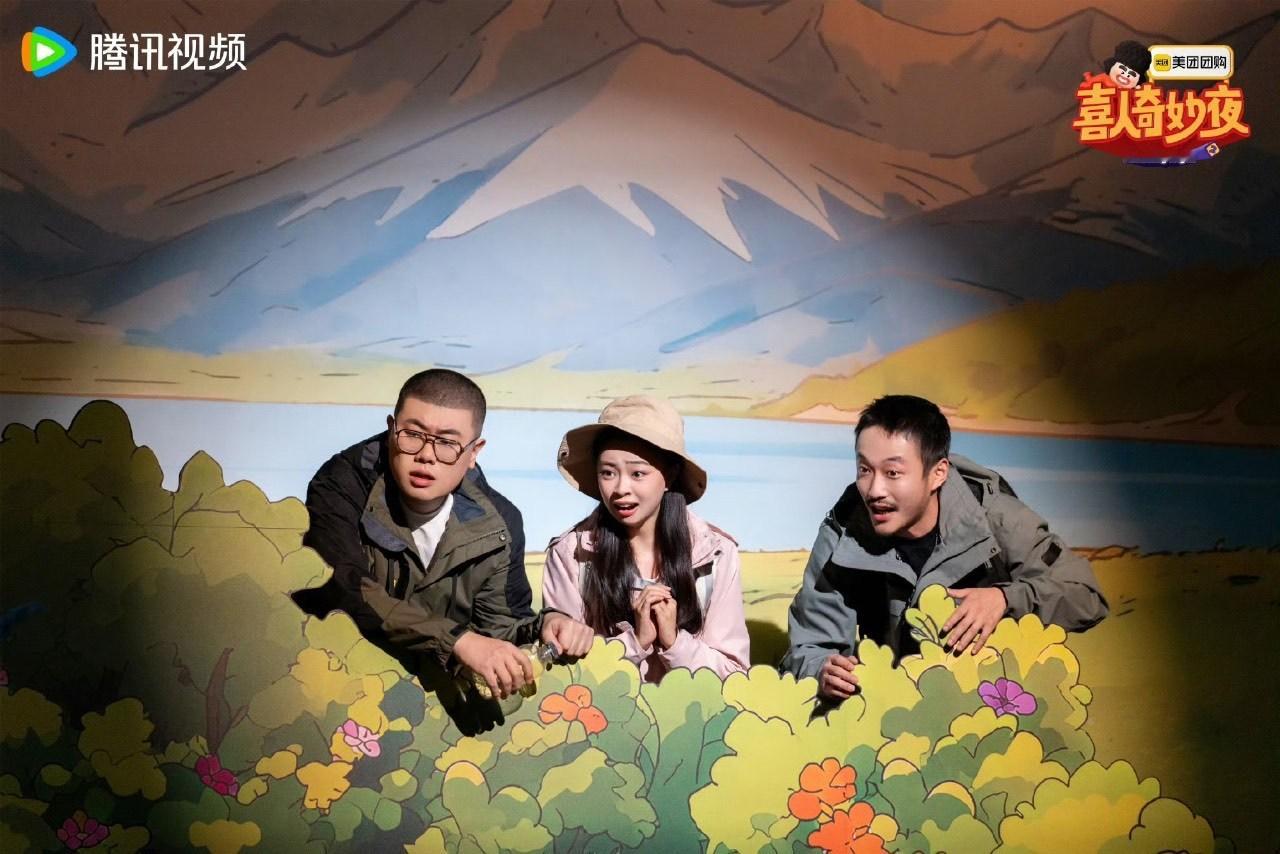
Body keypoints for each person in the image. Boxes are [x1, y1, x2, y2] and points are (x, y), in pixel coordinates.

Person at [781, 394, 1108, 704]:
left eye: (893, 473)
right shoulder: (843, 532)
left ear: (938, 474)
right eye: (865, 470)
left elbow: (1085, 597)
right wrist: (822, 672)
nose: (874, 490)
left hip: (996, 702)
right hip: (895, 708)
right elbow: (809, 648)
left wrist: (1005, 599)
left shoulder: (996, 517)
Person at [293, 369, 593, 702]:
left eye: (448, 443)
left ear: (474, 452)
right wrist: (457, 641)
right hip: (329, 684)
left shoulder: (499, 525)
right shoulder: (341, 487)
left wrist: (547, 624)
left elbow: (498, 629)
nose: (426, 455)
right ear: (391, 429)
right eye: (412, 434)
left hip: (426, 704)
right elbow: (343, 587)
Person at [542, 395, 750, 683]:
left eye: (637, 473)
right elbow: (564, 676)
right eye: (608, 473)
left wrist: (675, 643)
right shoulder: (570, 553)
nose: (620, 488)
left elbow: (735, 677)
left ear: (670, 475)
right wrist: (635, 643)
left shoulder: (715, 554)